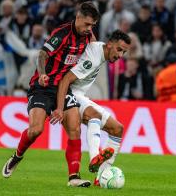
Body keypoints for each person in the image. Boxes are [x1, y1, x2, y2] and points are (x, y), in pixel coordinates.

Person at [2, 1, 100, 187]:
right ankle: (17, 156)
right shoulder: (62, 34)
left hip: (63, 88)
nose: (89, 29)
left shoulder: (88, 37)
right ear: (78, 17)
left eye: (92, 26)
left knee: (75, 129)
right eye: (87, 24)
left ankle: (74, 177)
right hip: (43, 86)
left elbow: (96, 53)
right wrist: (43, 73)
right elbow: (42, 54)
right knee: (36, 130)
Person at [50, 30, 131, 186]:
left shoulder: (100, 49)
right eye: (119, 49)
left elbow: (91, 40)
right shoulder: (93, 59)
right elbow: (66, 80)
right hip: (69, 94)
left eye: (124, 52)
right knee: (93, 115)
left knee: (117, 129)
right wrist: (60, 107)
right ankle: (95, 156)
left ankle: (100, 178)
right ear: (109, 44)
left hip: (80, 95)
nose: (120, 55)